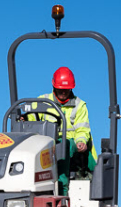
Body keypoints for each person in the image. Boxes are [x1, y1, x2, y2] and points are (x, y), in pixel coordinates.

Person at [31, 66, 97, 195]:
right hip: (46, 143)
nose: (63, 93)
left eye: (66, 90)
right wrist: (24, 117)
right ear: (54, 85)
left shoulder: (79, 105)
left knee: (63, 146)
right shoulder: (42, 101)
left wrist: (81, 141)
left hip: (71, 145)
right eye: (61, 89)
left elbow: (82, 129)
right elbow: (31, 118)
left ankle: (62, 191)